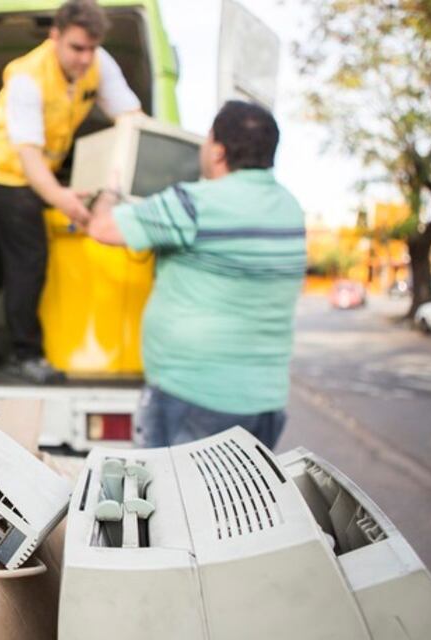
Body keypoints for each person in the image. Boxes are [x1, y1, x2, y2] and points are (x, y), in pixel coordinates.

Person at [87, 100, 306, 448]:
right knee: (235, 502)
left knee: (174, 501)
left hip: (191, 398)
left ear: (218, 151)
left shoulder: (194, 203)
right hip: (265, 403)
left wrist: (110, 192)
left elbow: (102, 229)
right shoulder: (290, 208)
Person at [0, 0, 142, 383]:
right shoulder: (26, 76)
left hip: (47, 170)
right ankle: (24, 354)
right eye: (76, 48)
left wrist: (117, 185)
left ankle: (18, 341)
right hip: (9, 174)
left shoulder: (99, 62)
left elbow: (132, 121)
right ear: (55, 36)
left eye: (91, 48)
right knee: (28, 262)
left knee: (27, 264)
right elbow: (30, 160)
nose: (85, 58)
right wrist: (66, 201)